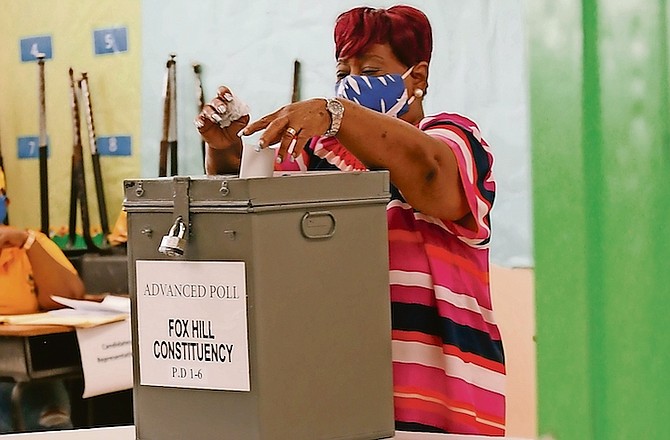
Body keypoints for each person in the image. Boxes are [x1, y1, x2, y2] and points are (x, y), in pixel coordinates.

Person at [195, 5, 504, 435]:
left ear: (416, 78)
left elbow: (431, 175)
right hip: (337, 397)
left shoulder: (454, 138)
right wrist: (229, 151)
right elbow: (254, 216)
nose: (352, 84)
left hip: (441, 404)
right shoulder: (316, 154)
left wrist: (335, 114)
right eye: (344, 71)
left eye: (372, 71)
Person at [0, 222, 86, 433]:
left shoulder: (28, 242)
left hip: (28, 366)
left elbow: (67, 298)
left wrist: (27, 242)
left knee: (49, 413)